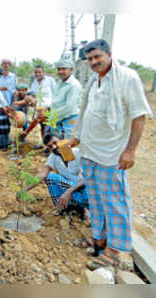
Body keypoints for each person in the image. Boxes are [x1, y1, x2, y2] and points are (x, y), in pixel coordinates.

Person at [71, 39, 153, 269]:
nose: (94, 62)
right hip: (90, 151)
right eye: (90, 59)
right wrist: (76, 136)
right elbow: (85, 110)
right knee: (96, 199)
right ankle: (100, 239)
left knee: (115, 202)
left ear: (109, 54)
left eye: (98, 56)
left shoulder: (127, 77)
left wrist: (130, 150)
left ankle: (114, 250)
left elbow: (139, 116)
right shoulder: (94, 80)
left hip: (112, 153)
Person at [21, 132, 88, 217]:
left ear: (61, 141)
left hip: (85, 190)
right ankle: (66, 208)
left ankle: (83, 209)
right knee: (50, 178)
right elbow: (42, 174)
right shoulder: (54, 157)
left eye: (55, 143)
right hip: (70, 189)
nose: (54, 147)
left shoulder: (77, 153)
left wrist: (68, 192)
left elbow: (87, 179)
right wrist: (24, 190)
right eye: (50, 146)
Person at [52, 58, 82, 139]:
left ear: (71, 70)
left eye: (64, 69)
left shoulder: (74, 85)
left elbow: (69, 107)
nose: (61, 71)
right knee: (56, 144)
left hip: (69, 119)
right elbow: (55, 101)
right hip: (58, 118)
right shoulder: (59, 82)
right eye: (59, 69)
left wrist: (52, 116)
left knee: (67, 145)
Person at [0, 58, 17, 151]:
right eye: (4, 63)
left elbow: (15, 90)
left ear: (10, 65)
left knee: (6, 125)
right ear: (1, 65)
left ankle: (5, 144)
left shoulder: (13, 77)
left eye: (8, 63)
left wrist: (14, 103)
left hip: (8, 103)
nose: (6, 65)